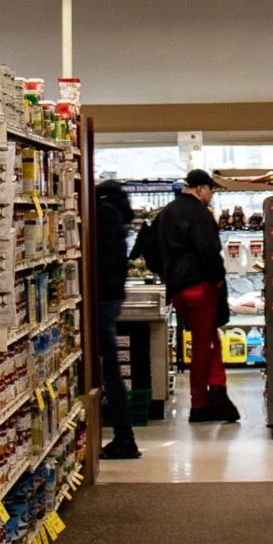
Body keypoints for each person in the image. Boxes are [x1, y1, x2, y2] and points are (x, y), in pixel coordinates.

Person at [159, 169, 238, 422]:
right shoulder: (200, 214)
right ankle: (199, 404)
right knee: (204, 346)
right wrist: (216, 281)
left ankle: (217, 389)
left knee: (208, 339)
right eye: (211, 190)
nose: (211, 196)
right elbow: (209, 250)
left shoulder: (166, 213)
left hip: (178, 290)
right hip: (199, 287)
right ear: (201, 188)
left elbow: (154, 250)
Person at [93, 179, 140, 459]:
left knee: (110, 371)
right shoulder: (117, 216)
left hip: (99, 299)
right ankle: (123, 436)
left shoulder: (101, 215)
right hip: (111, 297)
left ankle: (125, 438)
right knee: (110, 370)